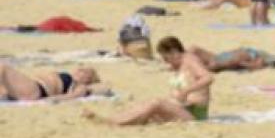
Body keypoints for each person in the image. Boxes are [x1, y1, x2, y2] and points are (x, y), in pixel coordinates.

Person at [84, 37, 215, 125]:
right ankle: (113, 119)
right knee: (147, 107)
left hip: (194, 114)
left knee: (156, 103)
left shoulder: (190, 60)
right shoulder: (180, 64)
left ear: (174, 52)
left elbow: (208, 77)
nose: (166, 62)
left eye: (167, 58)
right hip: (182, 108)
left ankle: (114, 122)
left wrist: (186, 91)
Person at [0, 64, 103, 102]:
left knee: (3, 68)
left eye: (85, 72)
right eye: (81, 69)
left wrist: (47, 100)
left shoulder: (80, 86)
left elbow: (71, 96)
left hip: (36, 90)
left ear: (88, 79)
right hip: (30, 87)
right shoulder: (71, 78)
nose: (80, 71)